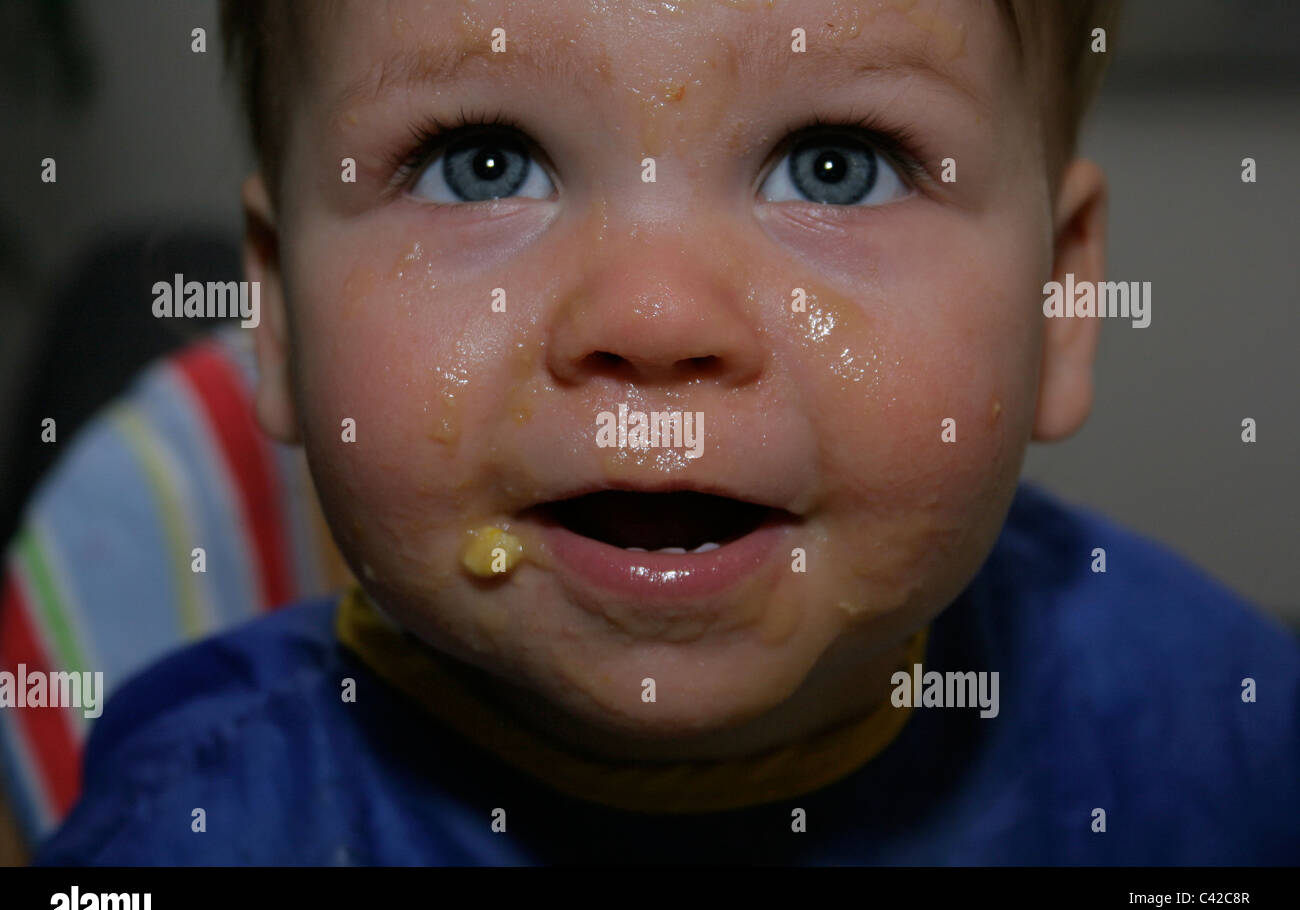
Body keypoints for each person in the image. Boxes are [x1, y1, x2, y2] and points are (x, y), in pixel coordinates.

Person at [35, 0, 1299, 864]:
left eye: (833, 164)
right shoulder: (193, 833)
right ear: (281, 320)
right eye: (482, 161)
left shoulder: (1229, 740)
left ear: (1060, 301)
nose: (650, 314)